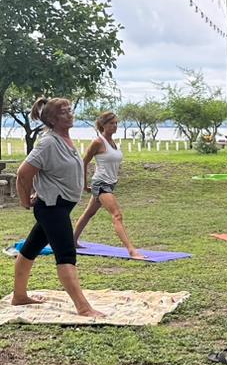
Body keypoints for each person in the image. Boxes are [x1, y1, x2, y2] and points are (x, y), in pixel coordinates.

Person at [12, 97, 104, 318]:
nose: (70, 114)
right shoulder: (48, 142)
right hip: (52, 207)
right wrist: (25, 200)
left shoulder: (64, 139)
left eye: (70, 110)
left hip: (58, 206)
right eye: (64, 112)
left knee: (30, 248)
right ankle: (83, 307)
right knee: (66, 253)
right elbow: (23, 173)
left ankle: (19, 296)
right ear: (52, 119)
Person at [73, 112, 144, 259]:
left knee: (88, 213)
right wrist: (84, 184)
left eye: (116, 123)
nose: (115, 126)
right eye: (111, 123)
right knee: (117, 215)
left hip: (110, 184)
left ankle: (72, 241)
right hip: (101, 184)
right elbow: (83, 162)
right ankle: (131, 250)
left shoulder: (113, 143)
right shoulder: (98, 142)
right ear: (103, 125)